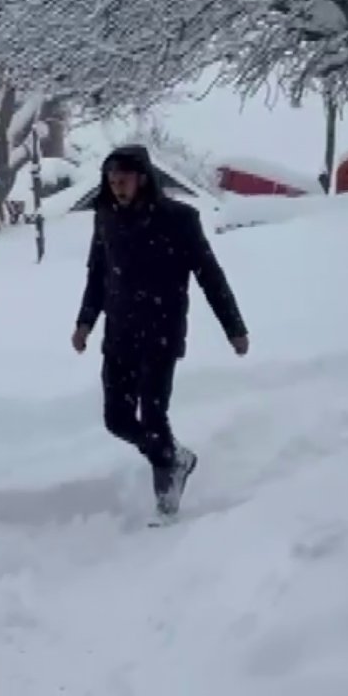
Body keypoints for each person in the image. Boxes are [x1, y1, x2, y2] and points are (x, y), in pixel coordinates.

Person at [72, 144, 249, 518]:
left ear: (142, 179)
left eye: (124, 179)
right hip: (119, 334)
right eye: (111, 179)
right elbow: (98, 275)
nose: (117, 186)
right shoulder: (105, 217)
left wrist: (234, 327)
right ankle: (175, 457)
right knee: (117, 419)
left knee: (153, 416)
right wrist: (85, 322)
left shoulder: (179, 219)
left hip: (161, 332)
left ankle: (166, 497)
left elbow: (210, 276)